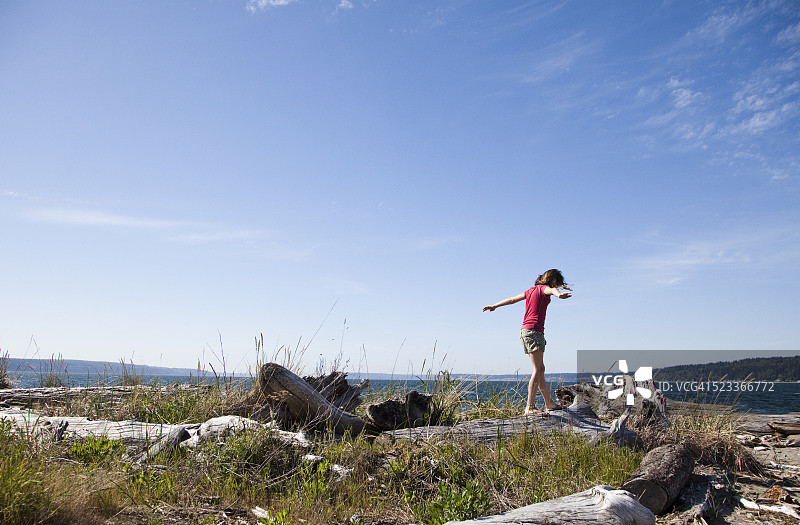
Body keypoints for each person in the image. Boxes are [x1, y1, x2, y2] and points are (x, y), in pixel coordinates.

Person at [483, 269, 572, 416]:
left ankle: (549, 403)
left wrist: (495, 305)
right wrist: (559, 295)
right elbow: (553, 291)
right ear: (553, 280)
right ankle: (529, 408)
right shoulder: (546, 288)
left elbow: (512, 299)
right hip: (534, 331)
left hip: (526, 331)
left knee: (540, 369)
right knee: (538, 369)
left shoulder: (530, 291)